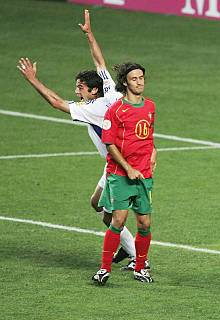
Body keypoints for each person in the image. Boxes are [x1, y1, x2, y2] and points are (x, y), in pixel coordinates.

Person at [16, 9, 140, 269]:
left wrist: (33, 79)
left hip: (121, 165)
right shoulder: (108, 88)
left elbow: (55, 102)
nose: (77, 91)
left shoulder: (92, 108)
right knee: (97, 204)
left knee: (111, 216)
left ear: (93, 90)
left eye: (80, 88)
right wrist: (89, 35)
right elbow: (99, 62)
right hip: (119, 161)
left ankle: (138, 258)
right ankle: (130, 251)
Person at [92, 62, 157, 285]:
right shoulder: (116, 110)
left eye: (141, 78)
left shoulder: (150, 107)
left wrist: (154, 152)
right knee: (118, 220)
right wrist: (128, 168)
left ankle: (141, 268)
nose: (139, 82)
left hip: (144, 175)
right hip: (120, 174)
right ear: (125, 83)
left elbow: (149, 136)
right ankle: (104, 268)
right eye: (134, 79)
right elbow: (109, 143)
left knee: (145, 224)